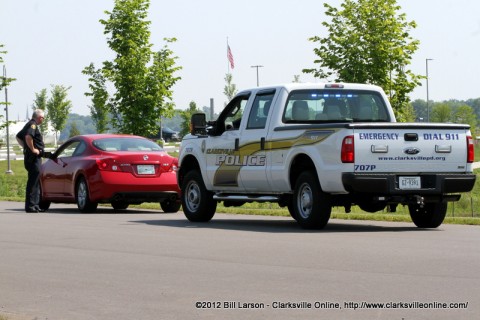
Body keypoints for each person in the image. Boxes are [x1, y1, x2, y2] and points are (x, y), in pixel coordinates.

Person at [16, 109, 48, 213]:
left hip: (33, 157)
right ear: (40, 117)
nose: (43, 119)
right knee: (33, 182)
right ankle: (30, 206)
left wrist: (26, 148)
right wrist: (32, 149)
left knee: (36, 181)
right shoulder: (32, 125)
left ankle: (35, 205)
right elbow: (28, 136)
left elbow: (18, 137)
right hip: (33, 158)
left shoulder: (29, 124)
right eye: (43, 118)